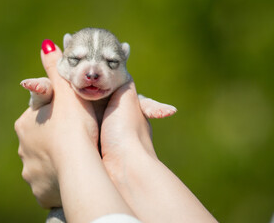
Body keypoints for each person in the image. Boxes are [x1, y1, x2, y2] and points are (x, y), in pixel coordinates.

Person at [14, 40, 218, 223]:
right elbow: (41, 104)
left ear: (124, 58)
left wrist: (143, 104)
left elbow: (134, 103)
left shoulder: (121, 96)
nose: (92, 72)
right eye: (77, 59)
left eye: (111, 62)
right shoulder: (62, 84)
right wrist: (44, 89)